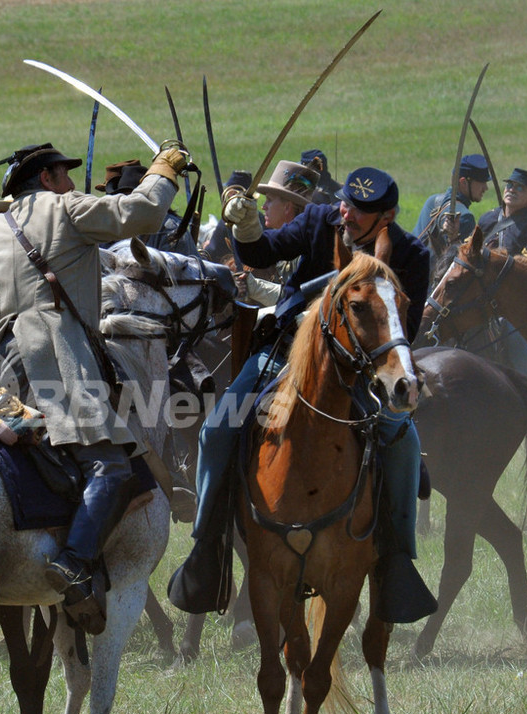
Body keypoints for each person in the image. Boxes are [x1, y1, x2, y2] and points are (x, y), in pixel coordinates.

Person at [169, 166, 435, 624]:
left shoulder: (411, 254)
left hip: (365, 369)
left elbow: (402, 332)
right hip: (286, 349)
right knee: (216, 430)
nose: (346, 215)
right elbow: (261, 251)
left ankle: (396, 562)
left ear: (387, 215)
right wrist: (247, 225)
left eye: (360, 211)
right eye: (347, 204)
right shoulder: (319, 221)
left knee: (404, 442)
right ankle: (207, 551)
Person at [0, 141, 187, 632]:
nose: (71, 183)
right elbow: (140, 213)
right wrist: (165, 167)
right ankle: (75, 561)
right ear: (50, 178)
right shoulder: (66, 209)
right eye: (66, 173)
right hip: (54, 366)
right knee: (112, 467)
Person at [474, 167, 527, 375]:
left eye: (519, 187)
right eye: (510, 185)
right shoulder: (488, 219)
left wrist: (494, 257)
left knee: (515, 339)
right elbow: (470, 251)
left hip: (514, 304)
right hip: (480, 295)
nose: (512, 190)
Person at [233, 160, 320, 307]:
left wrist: (256, 289)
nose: (263, 206)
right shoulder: (283, 240)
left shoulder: (308, 245)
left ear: (287, 207)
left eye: (269, 200)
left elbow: (304, 300)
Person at [94, 159, 198, 255]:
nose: (126, 205)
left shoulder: (170, 227)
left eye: (130, 200)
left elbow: (183, 268)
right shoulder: (107, 226)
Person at [413, 153, 490, 256]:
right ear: (463, 182)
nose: (485, 188)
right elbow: (463, 262)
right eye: (482, 182)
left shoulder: (433, 200)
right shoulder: (465, 217)